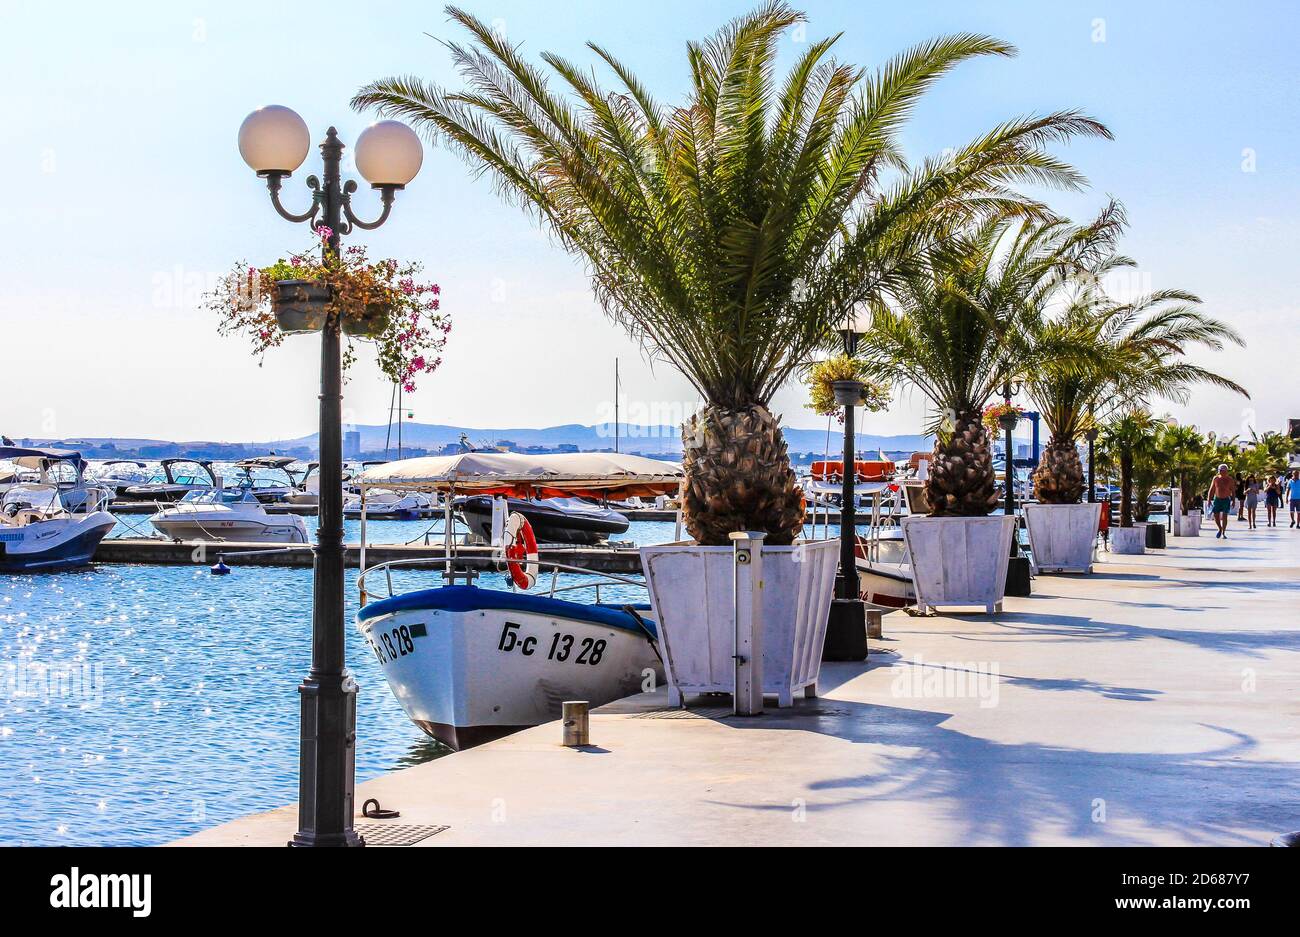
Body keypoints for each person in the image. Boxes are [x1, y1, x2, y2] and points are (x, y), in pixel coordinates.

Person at [1207, 464, 1236, 539]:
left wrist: (1233, 500)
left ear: (1226, 471)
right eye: (1220, 470)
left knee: (1224, 516)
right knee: (1216, 515)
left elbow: (1233, 490)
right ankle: (1220, 528)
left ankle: (1223, 532)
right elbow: (1212, 489)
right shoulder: (1216, 478)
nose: (1222, 472)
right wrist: (1209, 500)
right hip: (1217, 499)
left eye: (1223, 470)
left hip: (1226, 499)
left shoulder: (1230, 479)